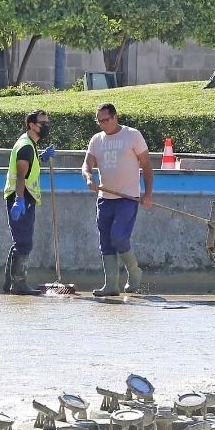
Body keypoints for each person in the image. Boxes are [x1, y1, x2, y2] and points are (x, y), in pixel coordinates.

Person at [81, 103, 153, 297]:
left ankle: (134, 271)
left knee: (119, 237)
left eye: (105, 120)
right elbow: (86, 164)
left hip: (127, 198)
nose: (102, 124)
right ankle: (111, 285)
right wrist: (89, 177)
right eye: (99, 121)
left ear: (115, 117)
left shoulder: (132, 135)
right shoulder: (97, 140)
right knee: (105, 241)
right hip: (105, 198)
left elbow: (146, 166)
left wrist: (148, 194)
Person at [3, 110, 51, 296]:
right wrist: (19, 200)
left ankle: (10, 283)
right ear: (32, 125)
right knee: (23, 242)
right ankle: (19, 283)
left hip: (24, 196)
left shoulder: (30, 144)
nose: (46, 126)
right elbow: (21, 175)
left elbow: (30, 165)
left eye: (47, 122)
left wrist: (41, 158)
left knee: (20, 241)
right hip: (21, 197)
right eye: (42, 123)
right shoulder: (25, 146)